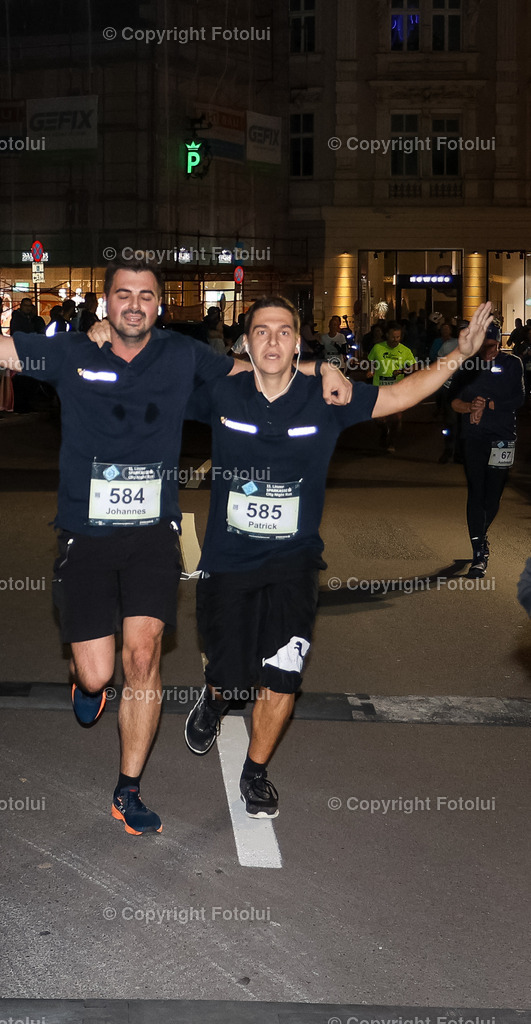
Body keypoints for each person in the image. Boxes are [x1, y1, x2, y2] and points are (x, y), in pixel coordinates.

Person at [0, 223, 351, 837]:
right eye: (122, 294)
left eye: (144, 295)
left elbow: (264, 365)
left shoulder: (184, 356)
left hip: (151, 537)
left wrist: (324, 367)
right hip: (85, 535)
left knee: (143, 659)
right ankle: (85, 685)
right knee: (97, 672)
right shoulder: (71, 352)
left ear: (158, 305)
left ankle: (127, 790)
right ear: (105, 302)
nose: (134, 304)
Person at [183, 297, 494, 819]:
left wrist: (459, 355)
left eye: (285, 331)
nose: (274, 341)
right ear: (246, 341)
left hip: (294, 562)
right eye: (262, 331)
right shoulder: (221, 393)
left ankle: (255, 772)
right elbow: (153, 382)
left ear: (299, 341)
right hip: (228, 562)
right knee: (232, 672)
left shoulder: (326, 397)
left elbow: (400, 394)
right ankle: (216, 697)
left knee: (282, 673)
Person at [450, 322, 525, 578]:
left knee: (493, 496)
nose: (487, 352)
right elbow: (454, 401)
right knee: (476, 491)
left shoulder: (513, 363)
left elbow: (520, 399)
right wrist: (471, 406)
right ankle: (478, 551)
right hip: (474, 437)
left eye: (491, 346)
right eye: (483, 347)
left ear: (499, 343)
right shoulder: (467, 364)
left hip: (503, 438)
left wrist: (490, 404)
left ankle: (481, 536)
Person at [367, 321, 416, 451]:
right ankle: (384, 431)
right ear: (387, 335)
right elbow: (371, 361)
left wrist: (403, 371)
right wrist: (370, 371)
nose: (395, 340)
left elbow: (413, 366)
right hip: (380, 388)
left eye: (398, 337)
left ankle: (391, 442)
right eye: (393, 336)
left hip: (396, 390)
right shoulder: (377, 348)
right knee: (378, 417)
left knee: (396, 417)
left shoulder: (405, 351)